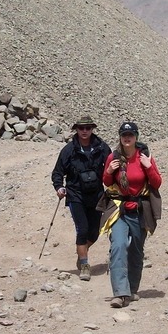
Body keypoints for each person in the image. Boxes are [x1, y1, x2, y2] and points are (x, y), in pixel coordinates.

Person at [98, 121, 162, 308]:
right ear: (120, 137)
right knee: (118, 246)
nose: (127, 138)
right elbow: (107, 182)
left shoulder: (145, 157)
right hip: (119, 209)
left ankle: (132, 289)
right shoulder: (113, 157)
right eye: (124, 135)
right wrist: (109, 171)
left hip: (140, 210)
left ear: (136, 137)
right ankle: (120, 293)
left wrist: (148, 167)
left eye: (131, 135)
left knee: (136, 249)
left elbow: (157, 183)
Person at [51, 115, 111, 281]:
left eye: (88, 128)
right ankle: (84, 264)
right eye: (81, 128)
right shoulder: (68, 150)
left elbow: (111, 169)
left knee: (95, 232)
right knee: (82, 229)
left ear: (92, 129)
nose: (84, 131)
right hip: (76, 195)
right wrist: (59, 187)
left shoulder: (102, 148)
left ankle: (81, 251)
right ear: (76, 129)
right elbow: (57, 173)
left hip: (97, 196)